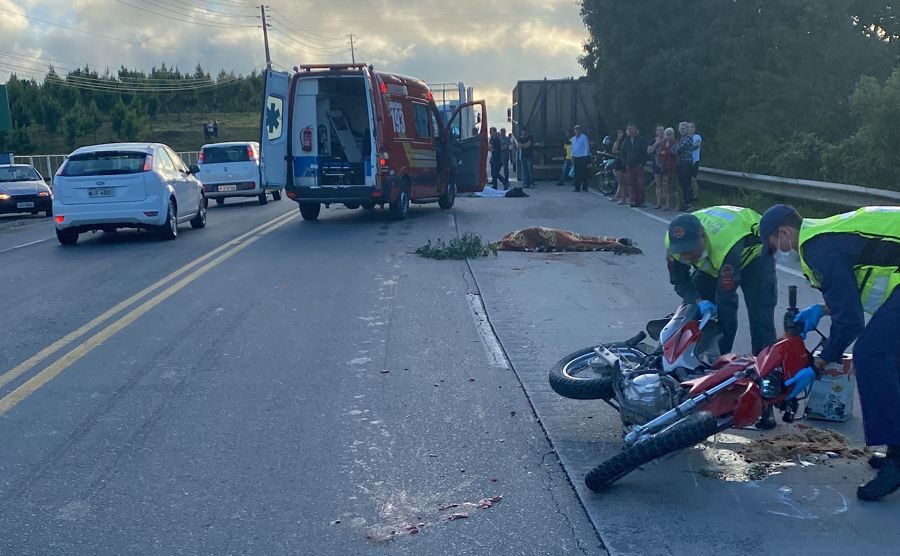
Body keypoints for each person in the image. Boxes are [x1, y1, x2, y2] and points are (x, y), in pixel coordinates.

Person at [759, 205, 900, 501]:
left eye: (773, 245)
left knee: (871, 354)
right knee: (890, 357)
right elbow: (860, 281)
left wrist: (818, 364)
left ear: (784, 233)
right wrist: (823, 310)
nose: (776, 252)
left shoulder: (816, 247)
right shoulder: (824, 235)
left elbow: (849, 321)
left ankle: (898, 461)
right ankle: (896, 448)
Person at [665, 206, 776, 357]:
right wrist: (698, 301)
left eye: (690, 250)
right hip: (713, 260)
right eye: (682, 251)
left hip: (754, 256)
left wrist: (722, 355)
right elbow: (679, 281)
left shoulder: (725, 245)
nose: (686, 256)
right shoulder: (673, 243)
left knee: (759, 314)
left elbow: (726, 301)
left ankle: (763, 363)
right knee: (691, 309)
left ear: (702, 237)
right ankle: (693, 355)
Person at [620, 123, 648, 206]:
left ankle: (642, 201)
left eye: (632, 128)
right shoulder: (626, 141)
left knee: (640, 183)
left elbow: (645, 152)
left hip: (638, 165)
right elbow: (623, 153)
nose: (631, 130)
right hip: (629, 165)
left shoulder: (641, 140)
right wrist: (625, 163)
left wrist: (642, 163)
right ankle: (635, 201)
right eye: (629, 129)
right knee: (632, 184)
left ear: (636, 130)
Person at [675, 122, 694, 210]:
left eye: (684, 128)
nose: (683, 130)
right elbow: (673, 149)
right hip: (680, 163)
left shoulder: (688, 138)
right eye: (681, 128)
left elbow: (678, 149)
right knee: (682, 183)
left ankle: (689, 203)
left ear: (688, 129)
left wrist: (675, 148)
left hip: (686, 163)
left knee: (686, 183)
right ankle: (684, 203)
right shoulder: (681, 139)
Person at [659, 127, 679, 210]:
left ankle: (677, 205)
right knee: (665, 187)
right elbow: (660, 154)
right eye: (666, 134)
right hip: (664, 169)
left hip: (674, 168)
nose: (668, 136)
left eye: (670, 134)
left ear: (673, 135)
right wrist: (665, 153)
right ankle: (667, 204)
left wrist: (665, 153)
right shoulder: (663, 144)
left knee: (674, 188)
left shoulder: (676, 143)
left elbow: (673, 152)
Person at [648, 124, 665, 208]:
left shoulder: (667, 139)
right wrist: (656, 143)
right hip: (656, 164)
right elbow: (649, 151)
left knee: (667, 184)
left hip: (666, 164)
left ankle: (667, 202)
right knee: (658, 184)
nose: (661, 132)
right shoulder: (653, 140)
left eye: (662, 130)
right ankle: (659, 202)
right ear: (656, 132)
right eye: (659, 130)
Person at [570, 124, 590, 192]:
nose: (577, 131)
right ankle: (577, 188)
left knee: (583, 173)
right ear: (574, 130)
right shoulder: (573, 138)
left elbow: (586, 147)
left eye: (578, 129)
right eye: (575, 129)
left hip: (583, 157)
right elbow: (572, 148)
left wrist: (586, 156)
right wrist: (572, 157)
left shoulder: (584, 137)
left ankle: (585, 187)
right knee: (577, 173)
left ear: (580, 130)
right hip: (576, 157)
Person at [611, 128, 629, 204]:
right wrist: (618, 140)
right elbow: (614, 150)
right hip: (618, 161)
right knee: (620, 181)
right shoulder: (618, 142)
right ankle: (622, 198)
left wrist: (621, 152)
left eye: (621, 132)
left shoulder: (627, 141)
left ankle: (627, 197)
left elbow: (626, 151)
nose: (620, 134)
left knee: (626, 181)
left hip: (625, 162)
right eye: (618, 133)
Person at [689, 122, 701, 201]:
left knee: (693, 179)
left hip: (694, 161)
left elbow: (696, 145)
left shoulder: (697, 137)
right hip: (687, 162)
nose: (691, 128)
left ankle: (696, 196)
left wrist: (687, 148)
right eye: (689, 127)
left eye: (692, 127)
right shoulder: (685, 138)